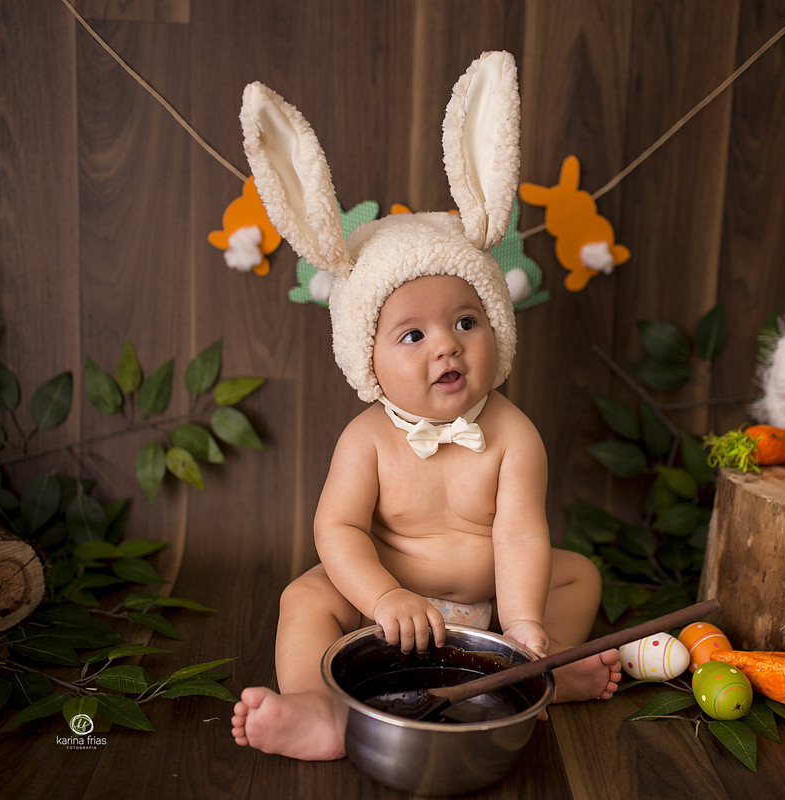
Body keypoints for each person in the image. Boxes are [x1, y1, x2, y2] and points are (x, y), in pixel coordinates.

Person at [227, 51, 620, 761]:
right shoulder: (367, 439)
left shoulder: (513, 435)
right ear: (367, 361)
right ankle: (319, 711)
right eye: (413, 334)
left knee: (577, 573)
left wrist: (523, 618)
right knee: (303, 599)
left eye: (467, 322)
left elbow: (523, 537)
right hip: (385, 604)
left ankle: (539, 663)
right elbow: (338, 528)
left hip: (491, 607)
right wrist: (381, 598)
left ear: (498, 329)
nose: (447, 348)